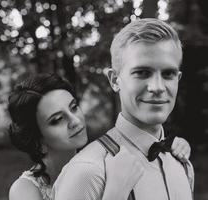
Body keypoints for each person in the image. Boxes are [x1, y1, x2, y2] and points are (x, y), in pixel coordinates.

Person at [53, 18, 194, 200]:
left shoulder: (182, 165)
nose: (158, 87)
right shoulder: (87, 172)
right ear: (114, 80)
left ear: (178, 79)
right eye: (142, 73)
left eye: (168, 74)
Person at [8, 73, 144, 200]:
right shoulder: (24, 190)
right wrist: (117, 189)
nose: (75, 121)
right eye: (58, 119)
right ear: (38, 140)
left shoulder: (100, 165)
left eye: (73, 107)